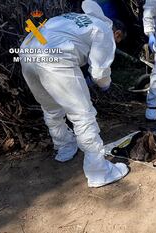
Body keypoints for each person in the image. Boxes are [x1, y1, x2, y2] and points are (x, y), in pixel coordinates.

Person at [19, 0, 128, 187]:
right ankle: (99, 172)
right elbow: (99, 73)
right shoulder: (104, 31)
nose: (115, 44)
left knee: (51, 107)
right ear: (117, 33)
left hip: (27, 52)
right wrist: (104, 84)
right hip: (56, 58)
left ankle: (64, 148)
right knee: (82, 114)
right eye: (117, 41)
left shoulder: (76, 18)